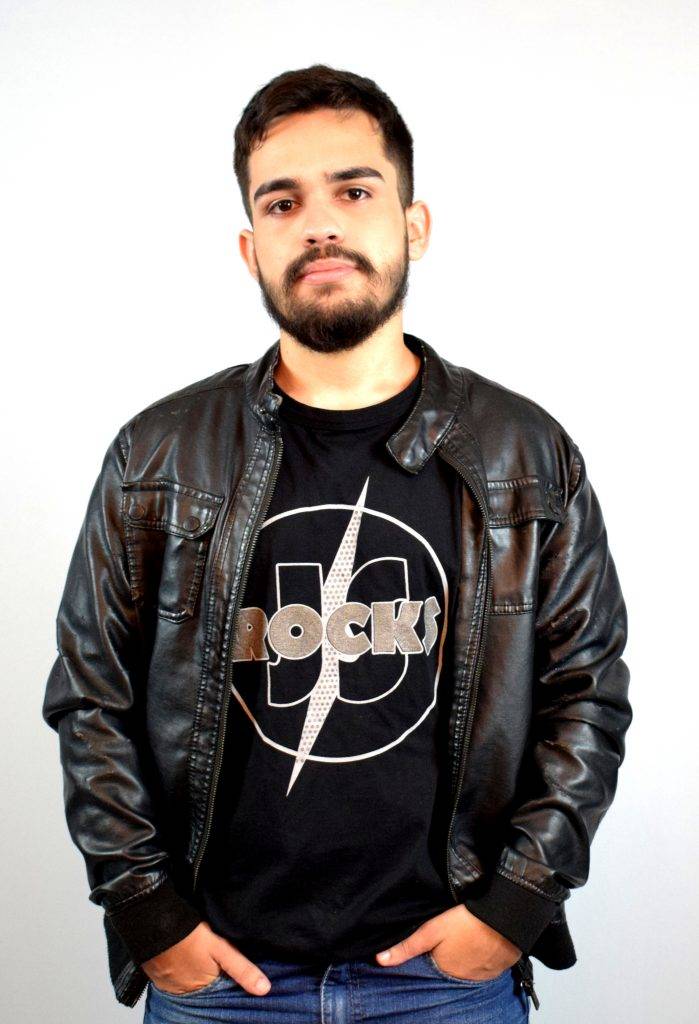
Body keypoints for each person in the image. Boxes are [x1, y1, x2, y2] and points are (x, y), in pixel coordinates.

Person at [42, 64, 632, 1023]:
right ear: (250, 247)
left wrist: (513, 907)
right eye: (283, 203)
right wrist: (148, 914)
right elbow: (90, 695)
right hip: (223, 983)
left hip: (445, 984)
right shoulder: (158, 455)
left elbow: (587, 694)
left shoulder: (524, 454)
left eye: (353, 191)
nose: (318, 224)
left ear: (413, 224)